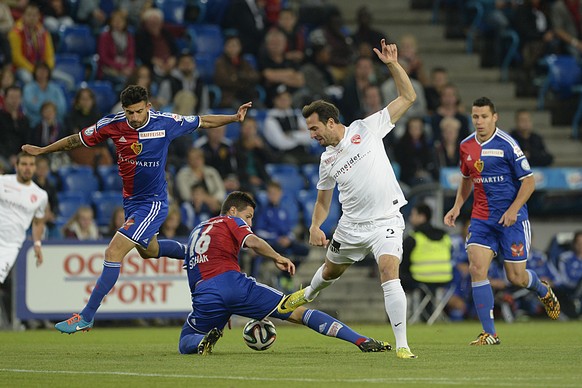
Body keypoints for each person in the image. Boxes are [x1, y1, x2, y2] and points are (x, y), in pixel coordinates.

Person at [21, 84, 252, 334]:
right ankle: (192, 253)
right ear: (124, 110)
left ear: (148, 107)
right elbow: (76, 140)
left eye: (139, 112)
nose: (134, 118)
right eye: (130, 113)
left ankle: (86, 316)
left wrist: (233, 117)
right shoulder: (112, 124)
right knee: (149, 251)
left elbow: (202, 121)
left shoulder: (165, 122)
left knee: (113, 252)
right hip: (131, 201)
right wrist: (44, 150)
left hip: (153, 202)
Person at [278, 39, 418, 359]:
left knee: (388, 269)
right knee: (330, 272)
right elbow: (323, 200)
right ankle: (308, 293)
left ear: (331, 121)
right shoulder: (326, 160)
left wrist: (393, 65)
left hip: (386, 220)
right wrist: (316, 225)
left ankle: (402, 345)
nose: (312, 135)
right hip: (351, 226)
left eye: (314, 128)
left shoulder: (366, 129)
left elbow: (408, 96)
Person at [177, 191, 392, 355]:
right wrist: (277, 256)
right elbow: (253, 241)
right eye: (248, 216)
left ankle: (200, 342)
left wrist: (152, 248)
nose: (250, 223)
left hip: (205, 294)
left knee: (186, 337)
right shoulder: (231, 220)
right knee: (298, 311)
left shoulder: (198, 230)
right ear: (233, 211)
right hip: (233, 285)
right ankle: (360, 340)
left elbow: (177, 252)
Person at [443, 97, 561, 346]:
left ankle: (541, 289)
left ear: (494, 117)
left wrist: (513, 210)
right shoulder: (466, 146)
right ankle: (490, 333)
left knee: (515, 277)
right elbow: (466, 179)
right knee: (477, 269)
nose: (479, 121)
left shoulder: (508, 144)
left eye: (484, 116)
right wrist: (456, 207)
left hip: (512, 220)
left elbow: (529, 182)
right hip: (482, 219)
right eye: (475, 117)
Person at [0, 152, 47, 285]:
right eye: (24, 164)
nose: (27, 168)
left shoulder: (40, 195)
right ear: (16, 166)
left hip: (10, 246)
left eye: (31, 164)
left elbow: (38, 221)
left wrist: (37, 244)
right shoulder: (2, 182)